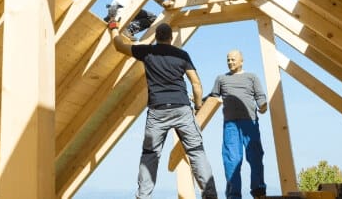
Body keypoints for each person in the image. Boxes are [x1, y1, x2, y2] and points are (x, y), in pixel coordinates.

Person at [109, 19, 218, 199]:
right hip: (182, 108)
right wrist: (198, 106)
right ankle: (210, 195)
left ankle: (143, 196)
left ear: (156, 37)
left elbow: (119, 45)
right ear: (171, 37)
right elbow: (196, 84)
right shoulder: (182, 55)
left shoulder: (147, 51)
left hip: (157, 111)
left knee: (150, 155)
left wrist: (113, 26)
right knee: (196, 151)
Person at [208, 50, 268, 199]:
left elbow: (260, 96)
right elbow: (212, 97)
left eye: (233, 60)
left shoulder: (252, 77)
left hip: (250, 123)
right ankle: (233, 195)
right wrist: (199, 101)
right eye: (228, 60)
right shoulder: (221, 79)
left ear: (242, 61)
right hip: (231, 125)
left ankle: (259, 192)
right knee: (231, 160)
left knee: (255, 157)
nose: (230, 62)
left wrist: (263, 105)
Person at [104, 0, 176, 38]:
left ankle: (117, 22)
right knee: (152, 18)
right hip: (123, 8)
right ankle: (129, 29)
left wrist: (165, 4)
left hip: (115, 9)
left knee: (149, 16)